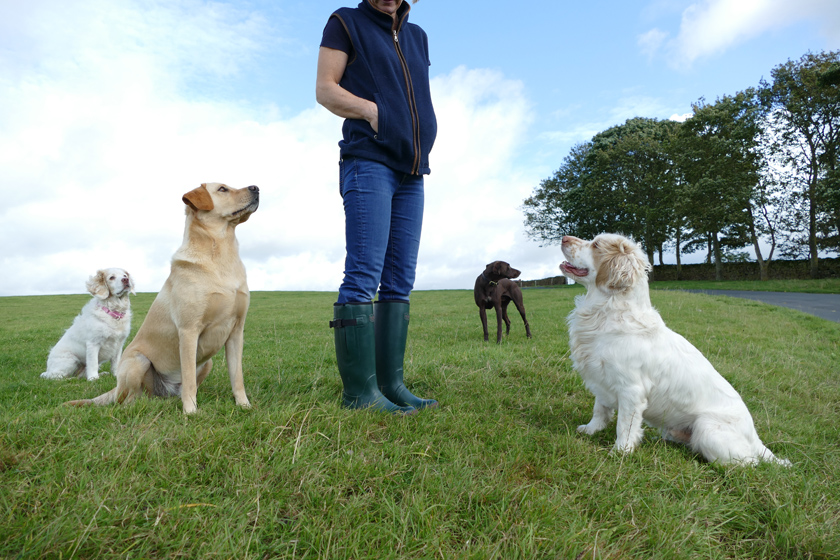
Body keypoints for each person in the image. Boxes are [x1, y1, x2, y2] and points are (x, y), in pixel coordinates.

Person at [316, 0, 438, 414]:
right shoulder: (344, 22)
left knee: (400, 279)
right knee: (363, 276)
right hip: (368, 162)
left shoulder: (417, 36)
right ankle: (359, 394)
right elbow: (325, 89)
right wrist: (372, 112)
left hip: (412, 170)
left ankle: (391, 383)